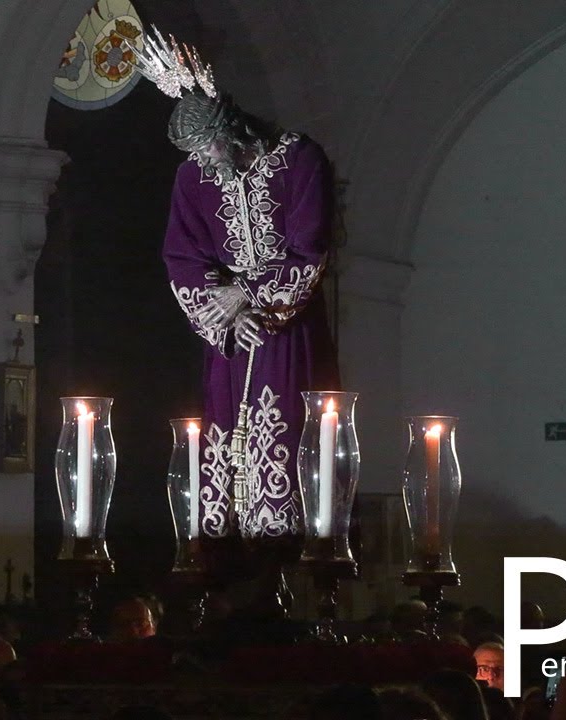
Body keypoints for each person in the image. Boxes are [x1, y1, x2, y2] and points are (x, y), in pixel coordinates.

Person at [142, 32, 340, 540]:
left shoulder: (299, 159)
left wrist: (250, 295)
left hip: (287, 324)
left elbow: (310, 245)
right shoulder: (193, 178)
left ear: (230, 128)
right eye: (194, 152)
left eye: (206, 146)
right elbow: (182, 255)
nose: (204, 160)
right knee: (226, 431)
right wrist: (226, 313)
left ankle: (290, 541)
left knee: (286, 425)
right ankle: (225, 544)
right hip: (232, 335)